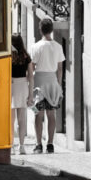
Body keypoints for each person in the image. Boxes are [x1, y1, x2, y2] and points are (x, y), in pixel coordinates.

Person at [29, 18, 64, 154]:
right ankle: (50, 144)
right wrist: (59, 85)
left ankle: (38, 144)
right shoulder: (58, 47)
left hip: (39, 80)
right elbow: (60, 68)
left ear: (40, 30)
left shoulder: (36, 47)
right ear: (51, 30)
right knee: (51, 114)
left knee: (38, 114)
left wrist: (29, 86)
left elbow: (32, 68)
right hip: (52, 80)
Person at [11, 34, 34, 155]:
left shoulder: (8, 57)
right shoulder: (26, 56)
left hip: (11, 85)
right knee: (22, 120)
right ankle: (21, 146)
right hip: (23, 86)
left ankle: (11, 146)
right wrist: (30, 95)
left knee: (11, 120)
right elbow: (30, 76)